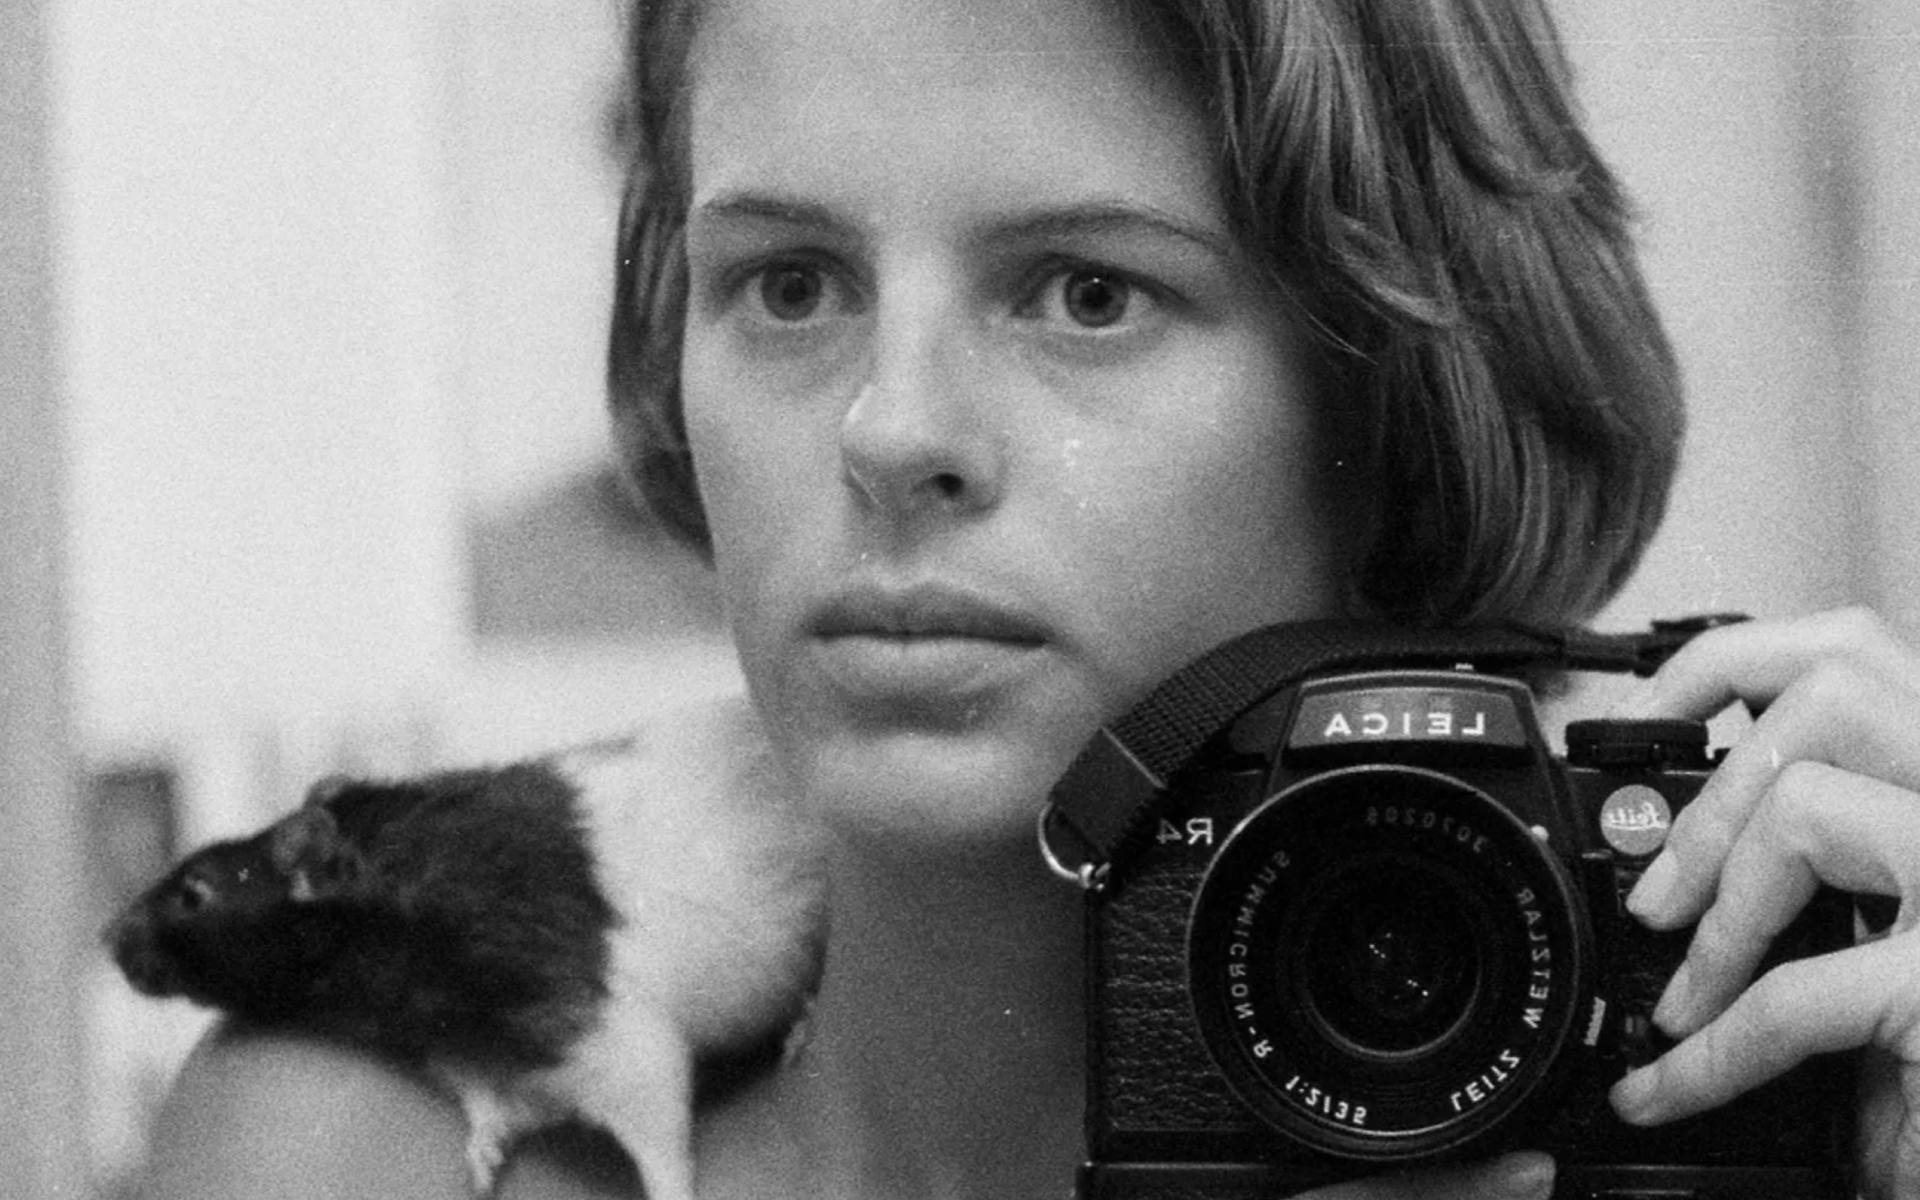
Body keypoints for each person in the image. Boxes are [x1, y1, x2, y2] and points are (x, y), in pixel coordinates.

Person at [136, 0, 1920, 1197]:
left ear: (1393, 401)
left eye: (1086, 292)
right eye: (788, 285)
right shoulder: (360, 1154)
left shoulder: (1747, 1121)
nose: (891, 429)